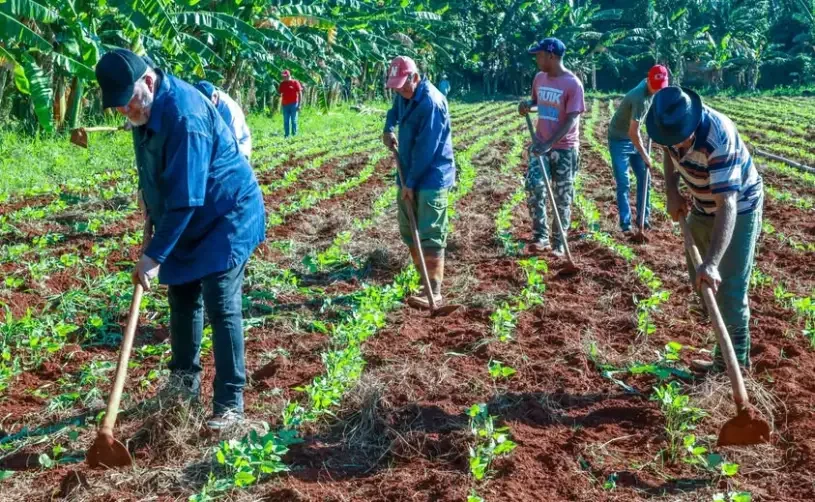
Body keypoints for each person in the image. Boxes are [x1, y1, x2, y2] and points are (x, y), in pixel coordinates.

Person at [95, 48, 266, 430]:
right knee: (182, 296)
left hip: (225, 216)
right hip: (186, 215)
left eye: (129, 103)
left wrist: (153, 256)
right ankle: (183, 384)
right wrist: (146, 192)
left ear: (149, 82)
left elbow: (188, 197)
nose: (126, 112)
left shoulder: (184, 115)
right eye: (119, 107)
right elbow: (150, 160)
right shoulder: (143, 107)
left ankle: (229, 406)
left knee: (220, 303)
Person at [646, 87, 763, 371]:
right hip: (702, 204)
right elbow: (667, 152)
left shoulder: (717, 138)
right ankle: (722, 357)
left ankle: (733, 368)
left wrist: (712, 263)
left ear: (693, 123)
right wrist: (671, 189)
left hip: (739, 207)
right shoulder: (666, 127)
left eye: (679, 138)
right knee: (702, 287)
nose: (675, 144)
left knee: (729, 289)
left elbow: (728, 206)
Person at [382, 56, 455, 309]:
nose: (400, 91)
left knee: (430, 231)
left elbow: (427, 149)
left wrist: (410, 184)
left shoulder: (432, 102)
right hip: (407, 170)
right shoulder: (403, 94)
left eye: (403, 85)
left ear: (415, 76)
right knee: (407, 228)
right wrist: (388, 128)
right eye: (397, 87)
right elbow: (394, 111)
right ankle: (423, 280)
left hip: (431, 174)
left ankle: (434, 291)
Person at [518, 37, 586, 255]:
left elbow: (571, 119)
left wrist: (549, 143)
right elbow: (537, 103)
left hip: (565, 148)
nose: (536, 59)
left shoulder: (573, 84)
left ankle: (558, 243)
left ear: (551, 56)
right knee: (534, 185)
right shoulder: (539, 78)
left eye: (539, 55)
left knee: (562, 196)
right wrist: (528, 105)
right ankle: (541, 237)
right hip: (540, 145)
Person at [607, 65, 669, 234]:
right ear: (648, 80)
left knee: (645, 178)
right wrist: (645, 155)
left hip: (633, 137)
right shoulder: (638, 97)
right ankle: (626, 225)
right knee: (624, 182)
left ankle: (643, 219)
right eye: (655, 86)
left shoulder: (655, 91)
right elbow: (633, 132)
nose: (657, 90)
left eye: (660, 87)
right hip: (619, 139)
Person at [194, 81, 252, 161]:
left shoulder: (228, 110)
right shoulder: (206, 104)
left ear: (214, 96)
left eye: (207, 103)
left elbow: (232, 141)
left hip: (238, 145)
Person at [278, 70, 303, 137]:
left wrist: (299, 105)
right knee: (286, 121)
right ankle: (287, 135)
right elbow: (279, 93)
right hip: (285, 105)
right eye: (283, 77)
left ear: (288, 76)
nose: (283, 78)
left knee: (293, 120)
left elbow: (300, 93)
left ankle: (294, 135)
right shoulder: (282, 84)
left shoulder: (295, 82)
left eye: (285, 77)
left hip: (294, 104)